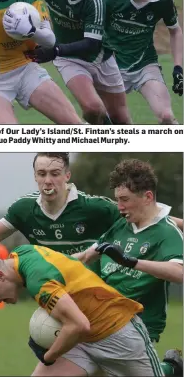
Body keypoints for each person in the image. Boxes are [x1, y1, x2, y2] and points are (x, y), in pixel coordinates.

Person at [0, 245, 163, 376]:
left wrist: (48, 356)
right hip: (81, 344)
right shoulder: (22, 253)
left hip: (119, 336)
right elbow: (64, 263)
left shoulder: (39, 281)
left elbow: (79, 325)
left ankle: (173, 367)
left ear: (0, 276)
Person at [0, 152, 182, 255]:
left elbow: (149, 216)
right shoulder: (23, 208)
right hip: (54, 298)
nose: (48, 180)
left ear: (67, 176)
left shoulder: (94, 207)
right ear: (35, 176)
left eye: (55, 173)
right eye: (41, 173)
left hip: (96, 297)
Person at [74, 159, 183, 376]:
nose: (119, 206)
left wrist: (131, 262)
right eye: (117, 200)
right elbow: (86, 256)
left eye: (125, 199)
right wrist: (46, 260)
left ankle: (170, 369)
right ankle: (171, 369)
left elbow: (179, 273)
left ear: (148, 197)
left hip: (140, 323)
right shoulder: (122, 225)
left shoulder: (167, 232)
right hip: (104, 317)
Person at [10, 0, 132, 124]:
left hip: (99, 58)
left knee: (121, 120)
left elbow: (92, 43)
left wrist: (55, 50)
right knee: (92, 109)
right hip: (68, 57)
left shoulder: (95, 0)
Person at [103, 0, 183, 124]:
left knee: (167, 116)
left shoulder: (163, 0)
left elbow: (175, 31)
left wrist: (178, 68)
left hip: (144, 65)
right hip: (112, 68)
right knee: (110, 121)